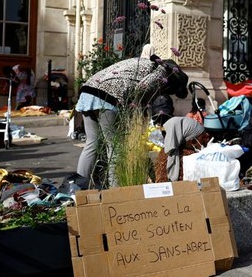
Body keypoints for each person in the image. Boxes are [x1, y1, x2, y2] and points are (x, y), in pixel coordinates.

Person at [74, 44, 188, 186]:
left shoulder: (143, 63)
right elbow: (142, 89)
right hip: (108, 97)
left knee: (92, 143)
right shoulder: (161, 72)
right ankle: (115, 190)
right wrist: (139, 112)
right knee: (115, 147)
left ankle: (77, 187)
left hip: (88, 91)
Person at [155, 116, 212, 182]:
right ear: (193, 141)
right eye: (204, 137)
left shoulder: (165, 153)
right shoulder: (192, 158)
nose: (208, 140)